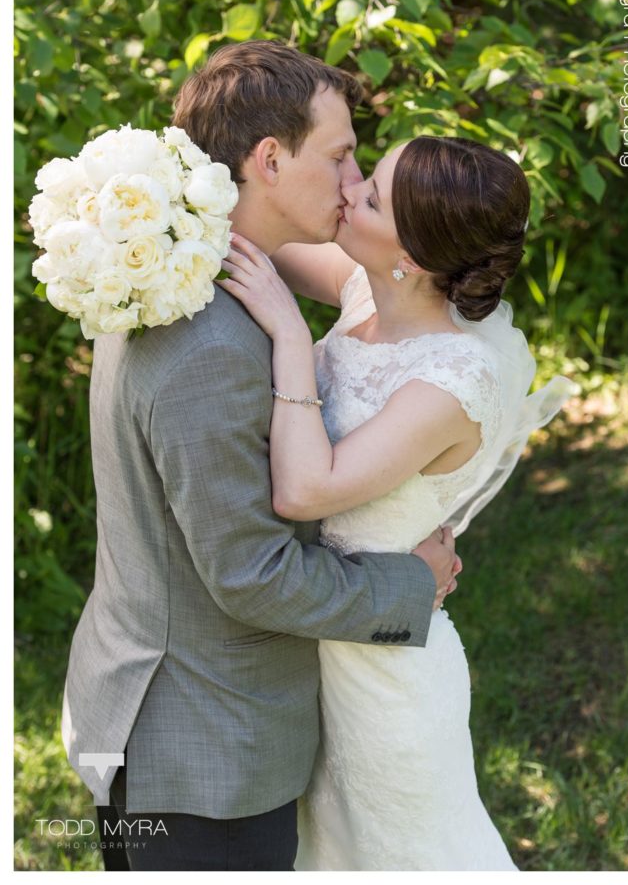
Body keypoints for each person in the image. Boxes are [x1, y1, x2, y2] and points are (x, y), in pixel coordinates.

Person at [60, 42, 461, 872]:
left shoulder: (169, 267)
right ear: (270, 159)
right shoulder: (204, 337)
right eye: (342, 156)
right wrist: (410, 583)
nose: (355, 184)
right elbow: (251, 575)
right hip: (203, 755)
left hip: (155, 714)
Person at [217, 134, 575, 870]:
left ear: (413, 255)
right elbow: (256, 239)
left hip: (385, 685)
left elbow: (304, 489)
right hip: (314, 641)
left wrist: (289, 332)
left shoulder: (453, 380)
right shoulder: (365, 288)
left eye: (372, 195)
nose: (349, 189)